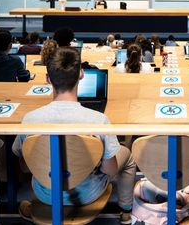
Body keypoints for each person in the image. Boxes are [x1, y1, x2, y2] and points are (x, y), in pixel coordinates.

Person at [13, 47, 136, 224]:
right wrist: (91, 163)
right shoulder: (99, 121)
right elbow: (110, 170)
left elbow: (24, 167)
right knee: (127, 157)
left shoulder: (29, 119)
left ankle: (35, 206)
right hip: (86, 194)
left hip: (45, 194)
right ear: (81, 74)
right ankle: (126, 212)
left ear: (48, 79)